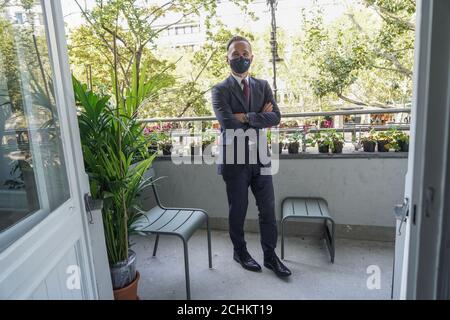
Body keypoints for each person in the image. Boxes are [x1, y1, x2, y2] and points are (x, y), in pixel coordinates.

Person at [211, 35, 291, 277]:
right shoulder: (219, 90)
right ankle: (240, 251)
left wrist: (245, 116)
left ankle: (270, 256)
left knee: (267, 210)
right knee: (239, 210)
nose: (241, 58)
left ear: (252, 57)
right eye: (235, 54)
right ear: (227, 59)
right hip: (234, 160)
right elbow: (228, 124)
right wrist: (258, 117)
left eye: (245, 54)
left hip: (261, 159)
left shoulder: (263, 86)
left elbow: (275, 117)